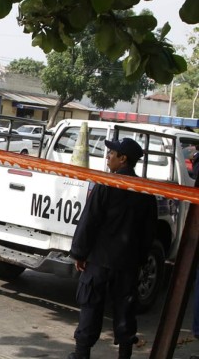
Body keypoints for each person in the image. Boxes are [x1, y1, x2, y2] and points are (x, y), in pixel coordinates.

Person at [67, 137, 158, 359]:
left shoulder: (107, 184)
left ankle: (81, 354)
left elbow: (89, 221)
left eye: (112, 153)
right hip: (126, 264)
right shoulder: (145, 191)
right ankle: (124, 354)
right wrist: (139, 260)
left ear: (123, 159)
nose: (108, 156)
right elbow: (149, 233)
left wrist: (79, 253)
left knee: (90, 306)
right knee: (125, 309)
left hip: (98, 260)